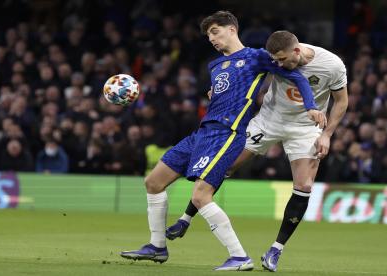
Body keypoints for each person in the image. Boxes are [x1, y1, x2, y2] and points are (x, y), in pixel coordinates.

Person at [120, 12, 325, 271]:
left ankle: (239, 257)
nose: (212, 39)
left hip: (227, 134)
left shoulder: (257, 57)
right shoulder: (215, 65)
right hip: (202, 132)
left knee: (201, 195)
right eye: (208, 36)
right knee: (153, 182)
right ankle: (157, 246)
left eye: (215, 32)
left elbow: (295, 76)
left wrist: (310, 106)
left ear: (232, 29)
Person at [166, 30, 348, 272]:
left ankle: (276, 250)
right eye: (276, 61)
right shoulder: (272, 58)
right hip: (268, 121)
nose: (279, 65)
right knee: (226, 163)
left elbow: (342, 101)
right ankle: (185, 219)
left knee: (304, 186)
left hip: (305, 128)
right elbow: (244, 74)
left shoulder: (332, 65)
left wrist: (326, 135)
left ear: (297, 50)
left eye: (283, 60)